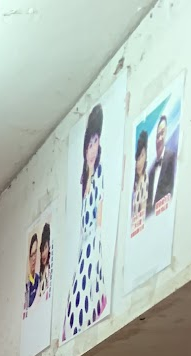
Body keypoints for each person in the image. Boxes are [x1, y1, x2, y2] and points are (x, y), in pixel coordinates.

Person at [64, 103, 107, 339]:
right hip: (83, 249)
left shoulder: (99, 174)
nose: (92, 149)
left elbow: (99, 218)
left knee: (87, 299)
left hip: (92, 248)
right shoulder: (83, 179)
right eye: (89, 144)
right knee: (75, 303)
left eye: (95, 142)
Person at [148, 113, 177, 213]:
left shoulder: (171, 157)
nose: (160, 138)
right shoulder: (151, 171)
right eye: (158, 135)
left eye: (162, 133)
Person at [131, 128, 149, 233]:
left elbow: (143, 208)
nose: (140, 161)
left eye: (142, 155)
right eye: (138, 158)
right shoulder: (133, 180)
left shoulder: (146, 179)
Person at [23, 232, 39, 310]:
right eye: (32, 255)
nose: (34, 258)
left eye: (35, 253)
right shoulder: (26, 286)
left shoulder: (38, 279)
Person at [38, 223, 52, 298]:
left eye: (46, 247)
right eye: (42, 249)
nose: (43, 254)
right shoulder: (40, 274)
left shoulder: (48, 271)